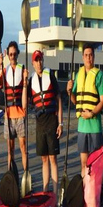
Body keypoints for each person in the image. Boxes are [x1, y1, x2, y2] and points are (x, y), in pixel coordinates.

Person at [67, 44, 103, 178]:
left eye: (91, 55)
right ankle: (85, 190)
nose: (88, 57)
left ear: (94, 57)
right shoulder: (79, 74)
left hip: (95, 126)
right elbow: (74, 99)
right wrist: (69, 90)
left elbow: (102, 100)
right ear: (83, 57)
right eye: (86, 55)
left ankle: (95, 192)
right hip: (82, 127)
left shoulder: (99, 75)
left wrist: (92, 113)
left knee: (95, 163)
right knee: (84, 163)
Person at [25, 50, 62, 194]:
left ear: (43, 61)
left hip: (52, 121)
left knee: (53, 158)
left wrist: (60, 123)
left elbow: (58, 98)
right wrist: (23, 83)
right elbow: (25, 103)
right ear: (33, 63)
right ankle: (46, 191)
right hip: (40, 124)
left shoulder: (50, 75)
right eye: (36, 60)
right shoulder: (31, 81)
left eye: (40, 60)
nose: (39, 63)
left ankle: (55, 192)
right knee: (44, 159)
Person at [0, 41, 28, 175]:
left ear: (17, 54)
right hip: (8, 115)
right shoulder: (4, 69)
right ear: (8, 55)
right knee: (10, 149)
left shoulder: (23, 69)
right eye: (10, 54)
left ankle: (26, 173)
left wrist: (26, 80)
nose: (12, 56)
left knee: (23, 147)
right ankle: (11, 175)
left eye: (14, 54)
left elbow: (27, 91)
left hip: (20, 114)